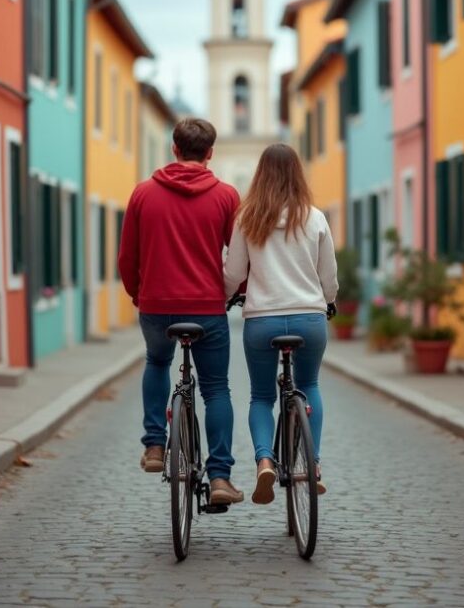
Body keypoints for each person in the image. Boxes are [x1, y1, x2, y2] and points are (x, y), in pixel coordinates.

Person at [118, 118, 243, 505]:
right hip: (206, 309)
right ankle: (220, 477)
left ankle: (155, 446)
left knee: (157, 362)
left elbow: (127, 257)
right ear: (210, 152)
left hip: (156, 307)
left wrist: (140, 295)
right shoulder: (226, 196)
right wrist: (235, 292)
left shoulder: (142, 194)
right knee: (216, 388)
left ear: (174, 148)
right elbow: (238, 257)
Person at [224, 143, 338, 504]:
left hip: (262, 321)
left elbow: (235, 273)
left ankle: (264, 461)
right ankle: (313, 465)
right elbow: (329, 277)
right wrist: (329, 301)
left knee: (261, 396)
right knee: (310, 384)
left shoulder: (247, 218)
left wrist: (229, 295)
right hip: (309, 317)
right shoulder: (315, 217)